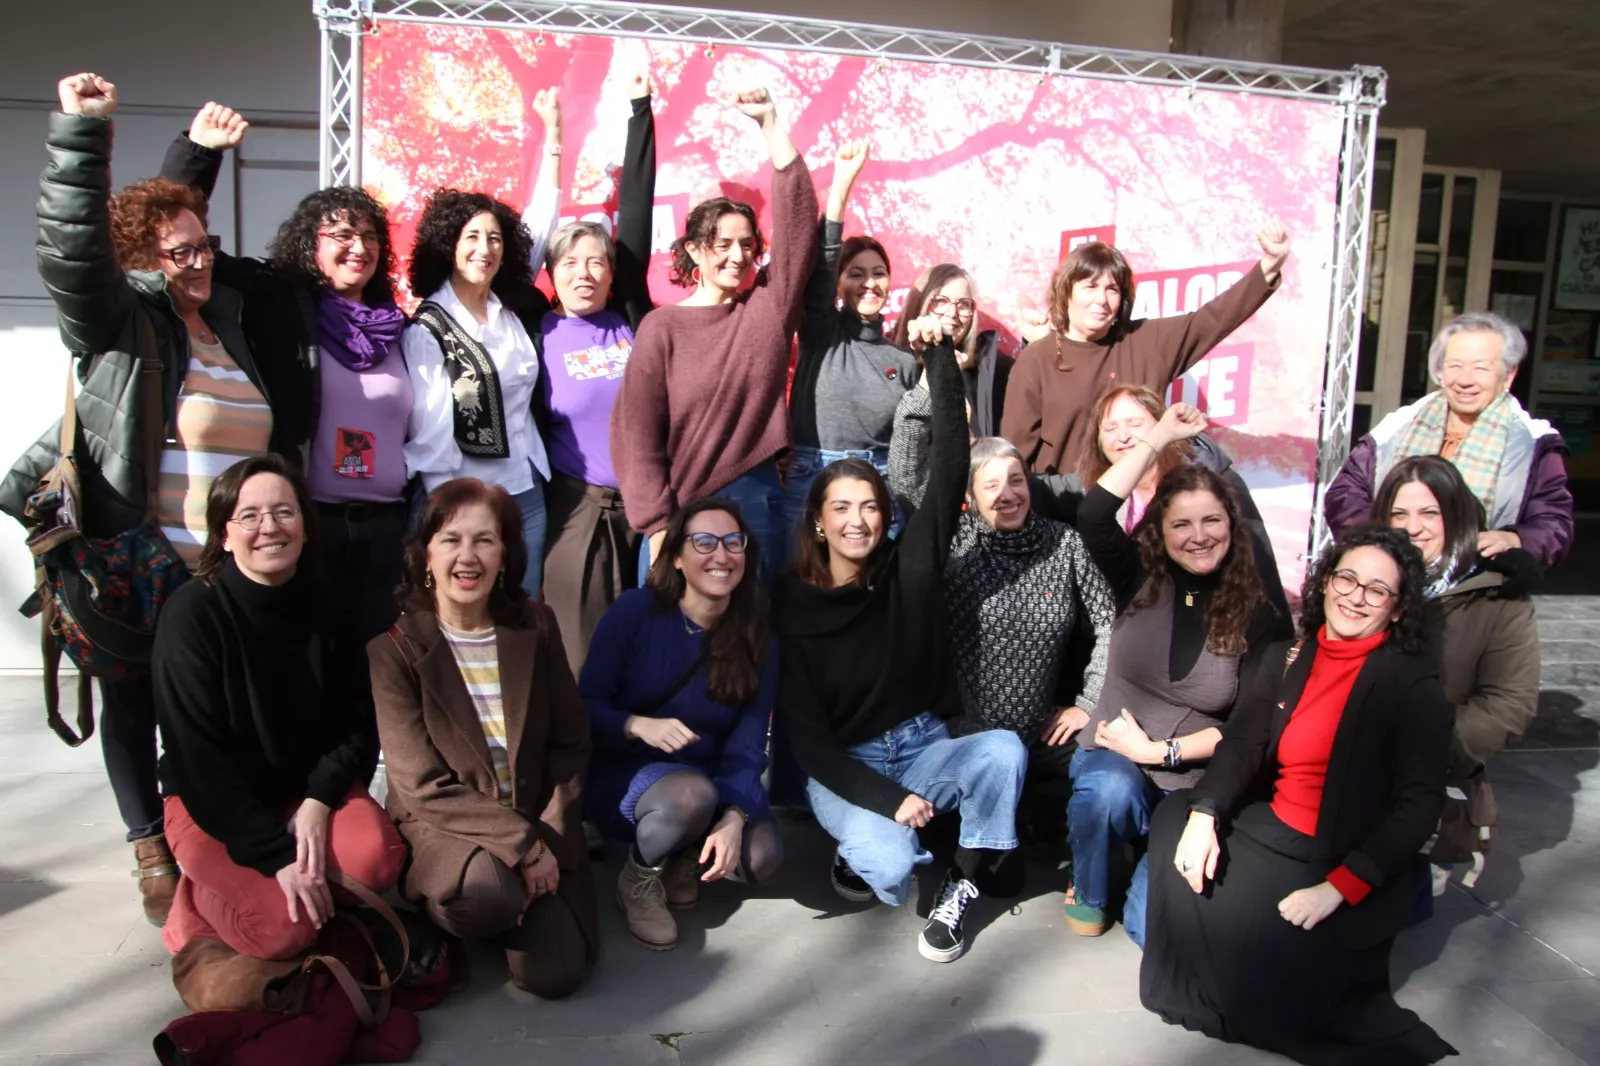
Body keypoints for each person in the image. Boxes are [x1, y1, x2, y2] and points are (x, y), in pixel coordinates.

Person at [0, 74, 283, 927]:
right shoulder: (125, 323)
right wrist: (81, 135)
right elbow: (77, 250)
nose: (199, 260)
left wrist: (197, 156)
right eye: (181, 254)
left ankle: (198, 821)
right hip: (145, 553)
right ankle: (147, 842)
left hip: (223, 565)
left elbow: (167, 219)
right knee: (133, 697)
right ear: (141, 267)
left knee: (214, 706)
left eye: (207, 246)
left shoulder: (222, 318)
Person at [1141, 525, 1456, 1065]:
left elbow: (1418, 808)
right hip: (1278, 829)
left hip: (1339, 856)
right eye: (1347, 578)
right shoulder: (1290, 657)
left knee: (1273, 969)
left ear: (1399, 609)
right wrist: (1208, 813)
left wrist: (1339, 888)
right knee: (1176, 817)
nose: (1355, 596)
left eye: (1376, 590)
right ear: (1326, 582)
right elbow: (1243, 742)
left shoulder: (1413, 686)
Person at [776, 330, 1028, 965]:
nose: (858, 520)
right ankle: (862, 842)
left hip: (919, 746)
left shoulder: (907, 567)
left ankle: (965, 878)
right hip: (845, 763)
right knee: (886, 866)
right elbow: (809, 746)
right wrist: (890, 802)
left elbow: (948, 467)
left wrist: (940, 357)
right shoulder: (793, 604)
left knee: (1002, 751)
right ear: (817, 520)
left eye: (870, 506)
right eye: (841, 508)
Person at [160, 102, 414, 642]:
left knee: (379, 667)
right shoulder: (278, 301)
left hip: (386, 528)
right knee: (307, 660)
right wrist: (199, 153)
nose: (358, 246)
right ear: (309, 244)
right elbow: (178, 237)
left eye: (368, 235)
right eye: (340, 235)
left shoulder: (398, 325)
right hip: (307, 523)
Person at [153, 455, 404, 959]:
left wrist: (318, 801)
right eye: (250, 516)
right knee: (283, 932)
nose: (269, 527)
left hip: (299, 795)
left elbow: (356, 723)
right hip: (213, 809)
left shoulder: (329, 605)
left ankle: (274, 890)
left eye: (284, 512)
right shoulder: (192, 615)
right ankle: (198, 900)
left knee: (380, 861)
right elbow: (199, 760)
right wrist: (274, 857)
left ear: (306, 527)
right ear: (225, 534)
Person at [1068, 402, 1288, 945]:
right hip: (1113, 759)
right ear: (1159, 532)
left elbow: (1248, 730)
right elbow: (1095, 512)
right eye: (1181, 523)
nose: (1198, 535)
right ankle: (1091, 887)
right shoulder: (1139, 577)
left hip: (1189, 786)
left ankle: (1151, 858)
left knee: (1155, 932)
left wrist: (1159, 754)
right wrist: (1159, 434)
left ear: (1232, 526)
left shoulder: (1259, 612)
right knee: (1106, 795)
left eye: (1211, 520)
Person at [369, 478, 596, 998]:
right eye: (450, 540)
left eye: (484, 540)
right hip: (449, 827)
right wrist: (522, 847)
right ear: (426, 555)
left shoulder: (537, 627)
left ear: (505, 556)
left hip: (537, 818)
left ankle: (516, 899)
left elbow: (571, 744)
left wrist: (548, 836)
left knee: (555, 976)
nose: (466, 557)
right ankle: (455, 913)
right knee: (486, 895)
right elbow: (422, 785)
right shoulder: (393, 652)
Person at [611, 87, 816, 591]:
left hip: (755, 500)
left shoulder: (767, 308)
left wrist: (770, 122)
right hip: (679, 512)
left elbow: (799, 224)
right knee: (669, 648)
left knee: (750, 642)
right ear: (696, 251)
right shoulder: (661, 328)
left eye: (748, 245)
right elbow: (636, 436)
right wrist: (657, 525)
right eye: (722, 244)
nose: (737, 256)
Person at [581, 499, 781, 951]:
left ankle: (683, 853)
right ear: (675, 556)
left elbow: (750, 739)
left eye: (733, 543)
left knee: (759, 858)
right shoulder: (636, 613)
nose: (721, 555)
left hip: (712, 777)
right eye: (704, 542)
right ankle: (639, 878)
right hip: (627, 772)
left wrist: (736, 815)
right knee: (691, 795)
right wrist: (636, 725)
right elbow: (584, 706)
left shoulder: (757, 632)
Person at [1003, 223, 1290, 477]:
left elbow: (1213, 319)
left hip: (1144, 508)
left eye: (1112, 289)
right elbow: (1014, 457)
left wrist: (1269, 266)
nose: (1101, 300)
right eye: (1090, 287)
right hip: (1066, 515)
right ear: (1066, 292)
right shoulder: (1036, 361)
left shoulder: (1146, 341)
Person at [1374, 455, 1540, 890]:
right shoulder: (1362, 580)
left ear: (1456, 516)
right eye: (1399, 513)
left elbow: (1509, 706)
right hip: (1340, 789)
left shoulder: (1497, 596)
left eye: (1430, 512)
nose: (1413, 527)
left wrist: (1420, 749)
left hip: (1429, 793)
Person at [538, 72, 657, 674]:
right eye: (570, 263)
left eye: (596, 263)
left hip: (647, 513)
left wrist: (641, 111)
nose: (584, 273)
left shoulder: (633, 323)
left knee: (642, 662)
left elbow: (635, 219)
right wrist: (553, 138)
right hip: (576, 510)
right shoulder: (537, 334)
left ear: (612, 274)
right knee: (576, 664)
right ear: (551, 273)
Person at [1326, 311, 1573, 567]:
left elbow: (1554, 525)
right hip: (1390, 578)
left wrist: (1514, 539)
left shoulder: (1532, 443)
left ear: (1508, 375)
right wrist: (1380, 539)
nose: (1465, 380)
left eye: (1480, 368)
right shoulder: (1397, 428)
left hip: (1476, 589)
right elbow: (1344, 493)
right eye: (1455, 365)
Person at [401, 185, 553, 597]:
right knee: (467, 614)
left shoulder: (509, 312)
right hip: (467, 502)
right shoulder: (429, 328)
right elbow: (429, 436)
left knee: (520, 610)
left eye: (495, 238)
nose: (484, 248)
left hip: (527, 491)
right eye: (472, 236)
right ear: (448, 245)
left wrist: (555, 138)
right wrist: (450, 518)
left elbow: (540, 229)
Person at [784, 139, 920, 541]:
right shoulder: (823, 329)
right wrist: (842, 184)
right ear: (839, 283)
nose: (869, 283)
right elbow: (822, 261)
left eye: (878, 273)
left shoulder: (907, 361)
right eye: (856, 273)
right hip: (813, 475)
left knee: (874, 595)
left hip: (881, 480)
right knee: (802, 589)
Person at [1080, 384, 1290, 620]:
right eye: (1109, 428)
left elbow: (1259, 565)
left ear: (1165, 428)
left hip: (1217, 622)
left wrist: (1279, 635)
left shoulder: (1215, 481)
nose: (1123, 436)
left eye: (1135, 424)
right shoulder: (1102, 496)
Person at [890, 263, 1011, 439]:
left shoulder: (992, 369)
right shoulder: (892, 361)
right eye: (940, 301)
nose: (952, 312)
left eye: (963, 304)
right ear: (920, 303)